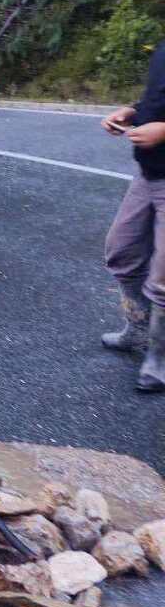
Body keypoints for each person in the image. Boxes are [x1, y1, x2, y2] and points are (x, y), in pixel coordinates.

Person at [101, 39, 165, 391]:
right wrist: (131, 113)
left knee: (163, 279)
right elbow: (158, 100)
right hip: (148, 174)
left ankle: (160, 357)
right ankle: (137, 327)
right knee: (122, 252)